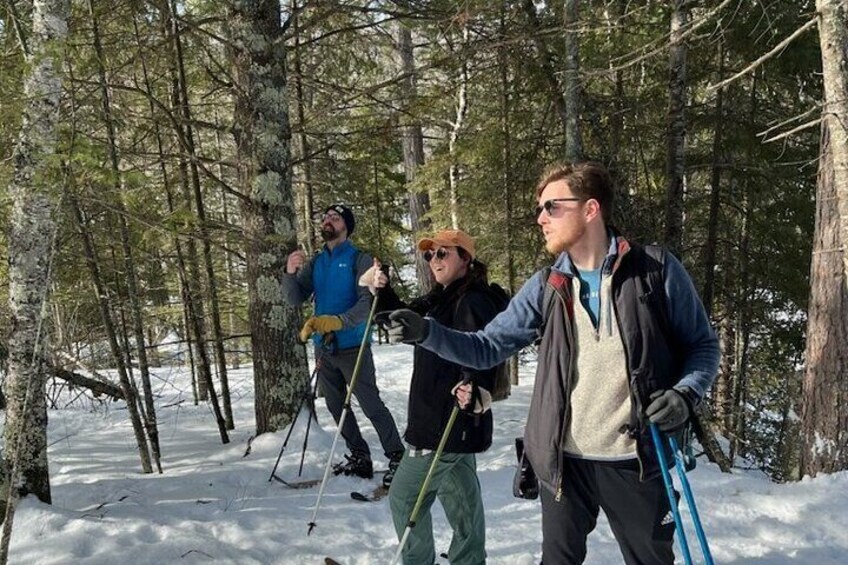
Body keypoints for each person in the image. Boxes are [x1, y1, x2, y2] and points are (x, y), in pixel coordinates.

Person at [386, 162, 720, 565]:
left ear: (590, 209)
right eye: (539, 209)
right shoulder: (548, 285)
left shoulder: (657, 272)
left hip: (636, 460)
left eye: (551, 207)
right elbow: (488, 346)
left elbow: (701, 345)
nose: (541, 218)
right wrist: (427, 333)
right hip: (563, 463)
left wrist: (685, 394)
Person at [361, 229, 498, 565]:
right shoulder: (441, 297)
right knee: (461, 498)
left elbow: (484, 351)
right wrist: (382, 289)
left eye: (442, 253)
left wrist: (475, 385)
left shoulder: (473, 300)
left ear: (465, 258)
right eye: (428, 255)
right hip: (447, 420)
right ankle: (469, 560)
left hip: (446, 419)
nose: (433, 261)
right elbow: (403, 320)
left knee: (405, 496)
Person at [283, 204, 404, 487]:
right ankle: (359, 456)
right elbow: (293, 298)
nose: (328, 221)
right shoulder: (316, 262)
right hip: (324, 347)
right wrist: (289, 273)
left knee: (370, 403)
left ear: (346, 227)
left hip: (353, 345)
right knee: (336, 406)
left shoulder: (358, 259)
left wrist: (338, 322)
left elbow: (367, 304)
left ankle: (397, 457)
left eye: (335, 218)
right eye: (325, 217)